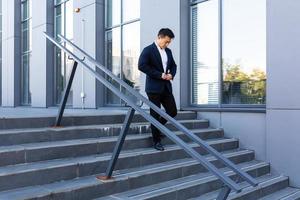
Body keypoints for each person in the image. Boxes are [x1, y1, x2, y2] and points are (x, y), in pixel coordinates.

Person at [138, 28, 177, 151]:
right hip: (153, 88)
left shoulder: (168, 51)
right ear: (159, 37)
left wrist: (172, 74)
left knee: (172, 111)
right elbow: (142, 65)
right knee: (155, 114)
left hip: (166, 87)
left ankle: (157, 128)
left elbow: (173, 65)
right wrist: (160, 74)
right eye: (166, 41)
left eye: (169, 42)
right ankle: (156, 141)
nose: (167, 44)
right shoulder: (148, 50)